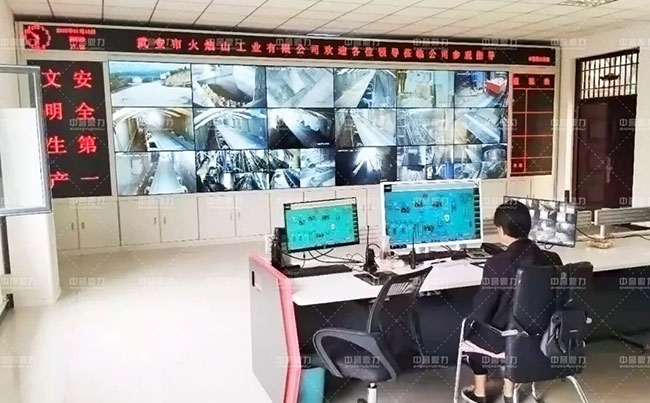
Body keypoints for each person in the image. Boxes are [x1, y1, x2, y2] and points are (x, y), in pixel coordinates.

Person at [461, 201, 562, 403]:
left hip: (504, 339)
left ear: (500, 230)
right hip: (543, 336)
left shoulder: (497, 263)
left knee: (473, 329)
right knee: (513, 324)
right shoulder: (553, 259)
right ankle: (509, 393)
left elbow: (483, 310)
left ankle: (480, 393)